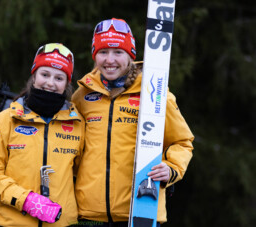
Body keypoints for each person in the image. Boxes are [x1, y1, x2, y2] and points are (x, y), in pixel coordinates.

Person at [71, 18, 194, 226]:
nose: (110, 60)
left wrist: (171, 168)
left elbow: (182, 141)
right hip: (89, 213)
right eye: (103, 52)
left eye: (118, 52)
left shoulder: (154, 91)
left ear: (130, 55)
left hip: (140, 210)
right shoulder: (83, 95)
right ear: (95, 55)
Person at [0, 43, 85, 227]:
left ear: (67, 84)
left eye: (59, 77)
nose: (50, 83)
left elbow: (87, 174)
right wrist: (25, 200)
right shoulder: (4, 121)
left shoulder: (77, 124)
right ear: (34, 76)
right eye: (45, 74)